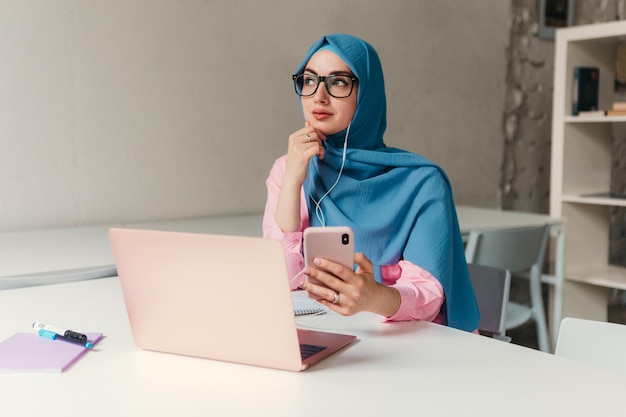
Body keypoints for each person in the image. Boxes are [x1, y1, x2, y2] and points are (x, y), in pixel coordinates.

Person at [263, 34, 479, 332]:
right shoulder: (289, 169)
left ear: (367, 93)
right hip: (333, 334)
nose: (318, 96)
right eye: (309, 80)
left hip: (411, 343)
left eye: (338, 82)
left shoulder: (422, 182)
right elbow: (278, 281)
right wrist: (292, 182)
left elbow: (429, 296)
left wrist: (374, 297)